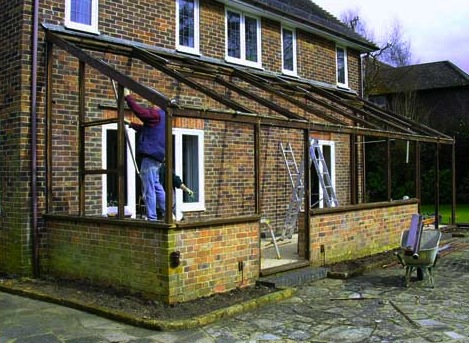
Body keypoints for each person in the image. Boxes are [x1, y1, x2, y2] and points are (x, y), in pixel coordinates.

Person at [123, 89, 165, 221]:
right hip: (157, 157)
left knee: (149, 189)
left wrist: (128, 97)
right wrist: (131, 124)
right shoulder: (163, 117)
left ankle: (152, 218)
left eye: (153, 103)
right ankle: (168, 212)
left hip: (149, 156)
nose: (151, 105)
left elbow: (140, 112)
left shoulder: (156, 114)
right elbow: (146, 129)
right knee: (157, 186)